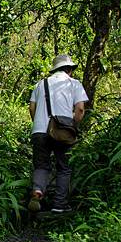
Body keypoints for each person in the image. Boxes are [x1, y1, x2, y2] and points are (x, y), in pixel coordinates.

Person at [28, 54, 88, 213]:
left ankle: (38, 190)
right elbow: (80, 109)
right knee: (64, 167)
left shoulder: (40, 84)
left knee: (41, 165)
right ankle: (59, 205)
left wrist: (41, 125)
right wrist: (73, 126)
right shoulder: (74, 84)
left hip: (39, 130)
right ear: (69, 70)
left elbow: (32, 108)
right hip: (63, 131)